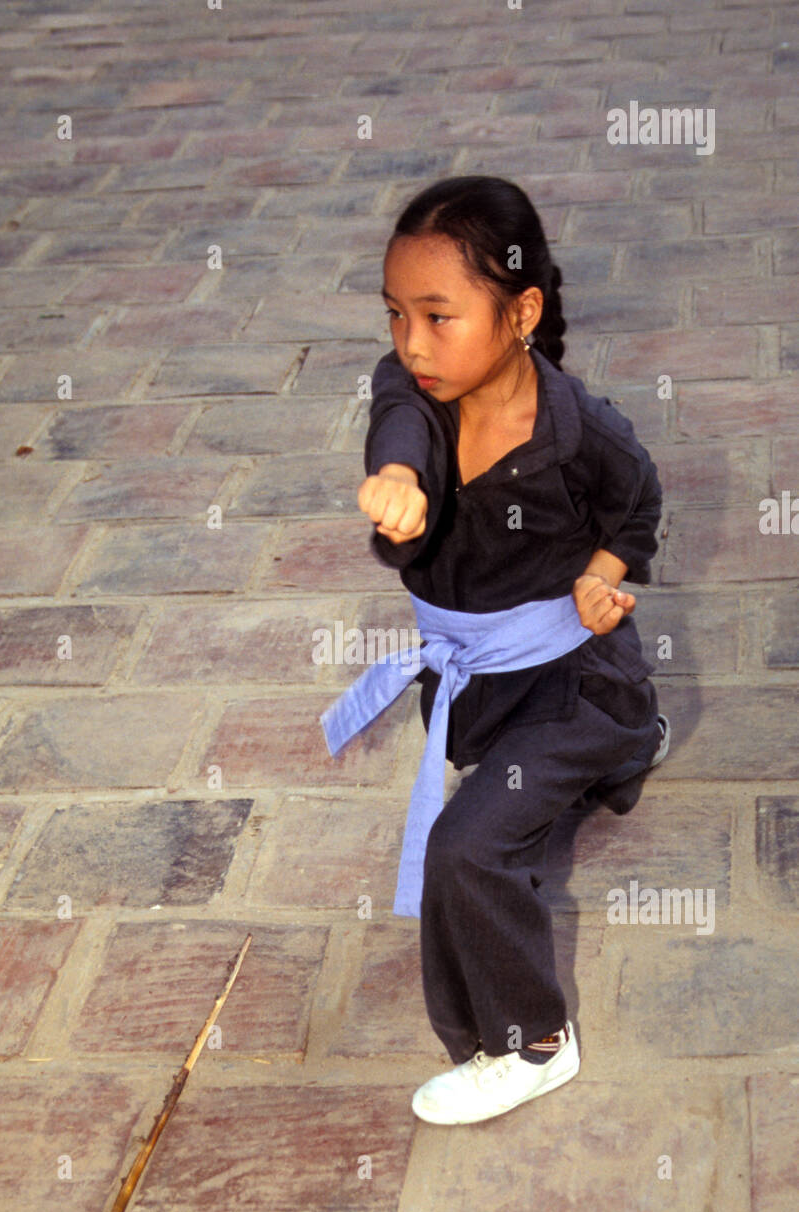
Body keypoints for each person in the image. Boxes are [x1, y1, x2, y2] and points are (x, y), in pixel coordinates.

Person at [321, 175, 669, 1126]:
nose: (410, 345)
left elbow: (637, 501)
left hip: (569, 681)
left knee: (464, 852)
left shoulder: (580, 431)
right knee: (502, 788)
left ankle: (529, 1045)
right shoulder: (415, 402)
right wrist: (398, 481)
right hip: (476, 684)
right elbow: (398, 429)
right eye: (396, 315)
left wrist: (604, 571)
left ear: (521, 311)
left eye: (439, 315)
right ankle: (628, 755)